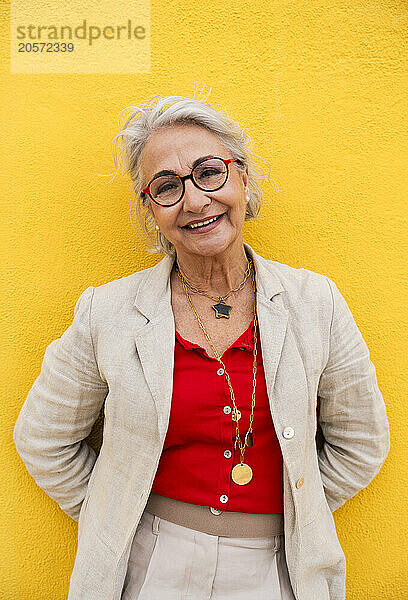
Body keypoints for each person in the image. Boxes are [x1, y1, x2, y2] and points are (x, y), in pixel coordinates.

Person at [13, 94, 390, 600]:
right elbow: (43, 438)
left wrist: (299, 511)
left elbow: (362, 442)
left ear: (243, 179)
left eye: (209, 172)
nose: (194, 200)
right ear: (151, 209)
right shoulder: (108, 311)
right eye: (166, 187)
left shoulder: (314, 303)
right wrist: (117, 511)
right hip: (149, 565)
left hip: (277, 567)